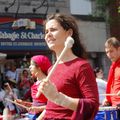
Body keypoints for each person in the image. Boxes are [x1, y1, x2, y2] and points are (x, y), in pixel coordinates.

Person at [36, 13, 99, 120]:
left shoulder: (81, 66)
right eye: (46, 32)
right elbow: (53, 107)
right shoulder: (51, 69)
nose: (48, 35)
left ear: (69, 33)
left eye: (53, 30)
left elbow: (92, 105)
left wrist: (58, 97)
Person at [15, 55, 52, 120]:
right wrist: (24, 103)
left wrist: (38, 109)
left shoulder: (46, 83)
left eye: (32, 65)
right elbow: (37, 104)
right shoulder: (37, 83)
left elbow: (52, 106)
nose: (29, 67)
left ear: (39, 67)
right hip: (35, 116)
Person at [103, 37, 120, 119]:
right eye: (107, 52)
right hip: (114, 108)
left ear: (119, 49)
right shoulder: (113, 66)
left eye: (111, 51)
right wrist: (108, 99)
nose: (109, 54)